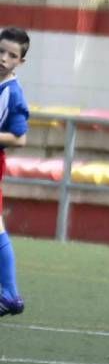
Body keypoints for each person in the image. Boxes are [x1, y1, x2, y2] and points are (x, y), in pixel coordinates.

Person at [0, 27, 30, 318]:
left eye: (12, 55)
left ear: (20, 62)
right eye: (1, 51)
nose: (4, 59)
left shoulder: (13, 94)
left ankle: (9, 294)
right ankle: (8, 294)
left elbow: (20, 138)